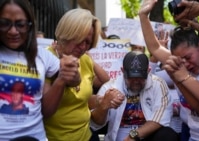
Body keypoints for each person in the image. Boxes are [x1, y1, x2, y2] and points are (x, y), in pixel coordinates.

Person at [0, 0, 79, 140]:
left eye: (20, 24)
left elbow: (75, 80)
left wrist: (68, 71)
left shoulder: (42, 55)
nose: (13, 31)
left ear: (30, 26)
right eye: (5, 23)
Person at [43, 8, 110, 141]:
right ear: (67, 33)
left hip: (87, 136)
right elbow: (44, 109)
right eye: (80, 40)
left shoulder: (85, 60)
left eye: (88, 43)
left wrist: (100, 100)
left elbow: (82, 98)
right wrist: (61, 79)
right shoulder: (44, 59)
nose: (84, 47)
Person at [91, 51, 179, 141]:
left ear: (148, 71)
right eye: (131, 77)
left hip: (145, 137)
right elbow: (96, 125)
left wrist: (132, 135)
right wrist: (103, 107)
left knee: (167, 134)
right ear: (122, 71)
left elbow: (159, 120)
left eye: (140, 77)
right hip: (117, 138)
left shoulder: (158, 84)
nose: (136, 81)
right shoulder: (109, 87)